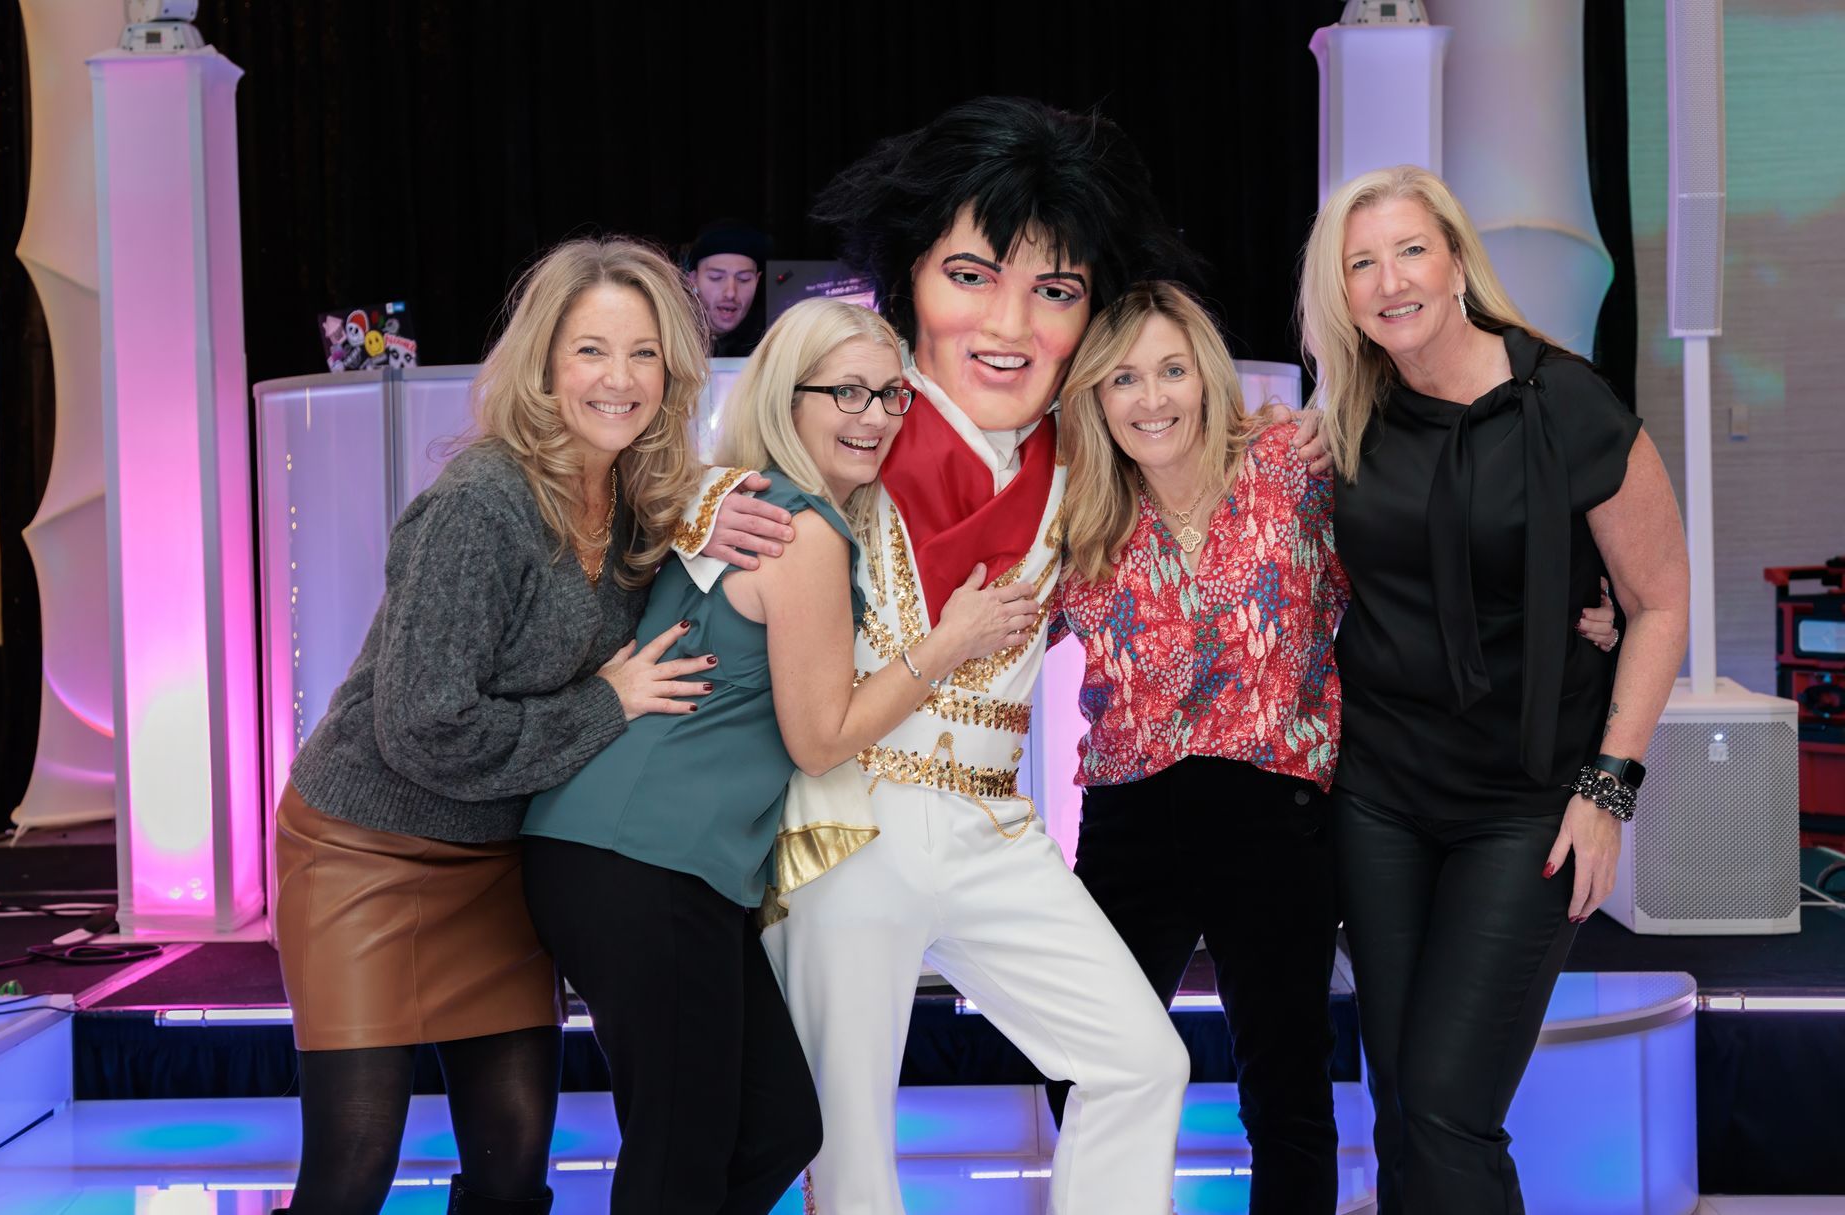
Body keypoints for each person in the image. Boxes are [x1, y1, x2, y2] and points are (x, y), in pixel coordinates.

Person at [675, 96, 1209, 1215]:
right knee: (849, 1148)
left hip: (992, 829)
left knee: (1144, 1062)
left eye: (1055, 290)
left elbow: (1203, 468)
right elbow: (708, 475)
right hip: (844, 822)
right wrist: (698, 512)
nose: (1008, 323)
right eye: (971, 276)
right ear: (910, 276)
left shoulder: (1085, 447)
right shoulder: (852, 413)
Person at [518, 298, 1035, 1215]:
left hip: (648, 860)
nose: (875, 416)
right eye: (846, 392)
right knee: (681, 1158)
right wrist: (950, 643)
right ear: (786, 398)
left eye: (892, 395)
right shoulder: (798, 528)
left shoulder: (740, 501)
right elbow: (821, 737)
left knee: (776, 1127)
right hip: (642, 857)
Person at [271, 236, 720, 1215]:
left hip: (499, 862)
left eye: (643, 353)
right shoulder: (480, 506)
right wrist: (605, 704)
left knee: (514, 1167)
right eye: (591, 350)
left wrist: (713, 524)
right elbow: (424, 727)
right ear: (544, 363)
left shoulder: (636, 501)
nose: (619, 379)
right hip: (365, 850)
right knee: (352, 1171)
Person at [1298, 164, 1689, 1213]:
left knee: (1444, 1106)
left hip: (1527, 802)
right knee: (1401, 1109)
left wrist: (1607, 792)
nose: (1390, 281)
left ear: (1457, 261)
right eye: (1361, 264)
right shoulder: (1350, 414)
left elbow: (1657, 602)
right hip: (1379, 797)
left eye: (1410, 251)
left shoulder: (1567, 402)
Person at [1048, 281, 1350, 1214]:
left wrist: (1582, 609)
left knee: (1286, 1087)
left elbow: (1420, 555)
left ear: (1207, 374)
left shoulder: (1293, 464)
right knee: (1085, 1067)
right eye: (1124, 378)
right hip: (1130, 817)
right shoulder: (1078, 512)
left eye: (1172, 370)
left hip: (1272, 809)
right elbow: (978, 625)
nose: (1152, 398)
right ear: (1095, 396)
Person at [687, 220, 771, 357]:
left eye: (744, 279)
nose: (731, 293)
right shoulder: (669, 335)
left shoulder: (771, 340)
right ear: (693, 280)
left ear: (757, 280)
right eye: (716, 277)